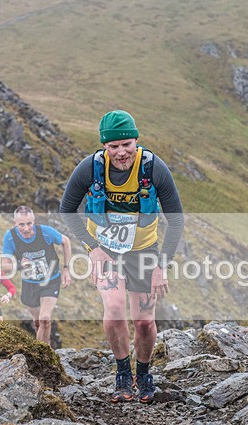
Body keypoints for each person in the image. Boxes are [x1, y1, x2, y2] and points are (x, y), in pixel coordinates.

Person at [60, 110, 184, 404]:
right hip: (105, 250)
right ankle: (122, 374)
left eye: (126, 144)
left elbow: (176, 220)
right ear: (105, 145)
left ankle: (144, 374)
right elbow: (67, 210)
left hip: (143, 251)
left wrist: (161, 266)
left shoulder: (153, 168)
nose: (121, 152)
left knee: (144, 322)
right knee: (114, 308)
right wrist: (93, 249)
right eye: (113, 146)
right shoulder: (90, 168)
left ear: (136, 140)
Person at [1, 206, 72, 344]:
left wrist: (66, 269)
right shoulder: (10, 237)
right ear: (15, 223)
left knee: (44, 319)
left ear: (34, 220)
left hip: (50, 281)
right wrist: (20, 265)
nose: (26, 228)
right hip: (29, 284)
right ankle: (47, 348)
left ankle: (41, 354)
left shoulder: (45, 232)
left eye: (29, 223)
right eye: (21, 224)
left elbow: (66, 241)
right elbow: (5, 266)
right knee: (38, 322)